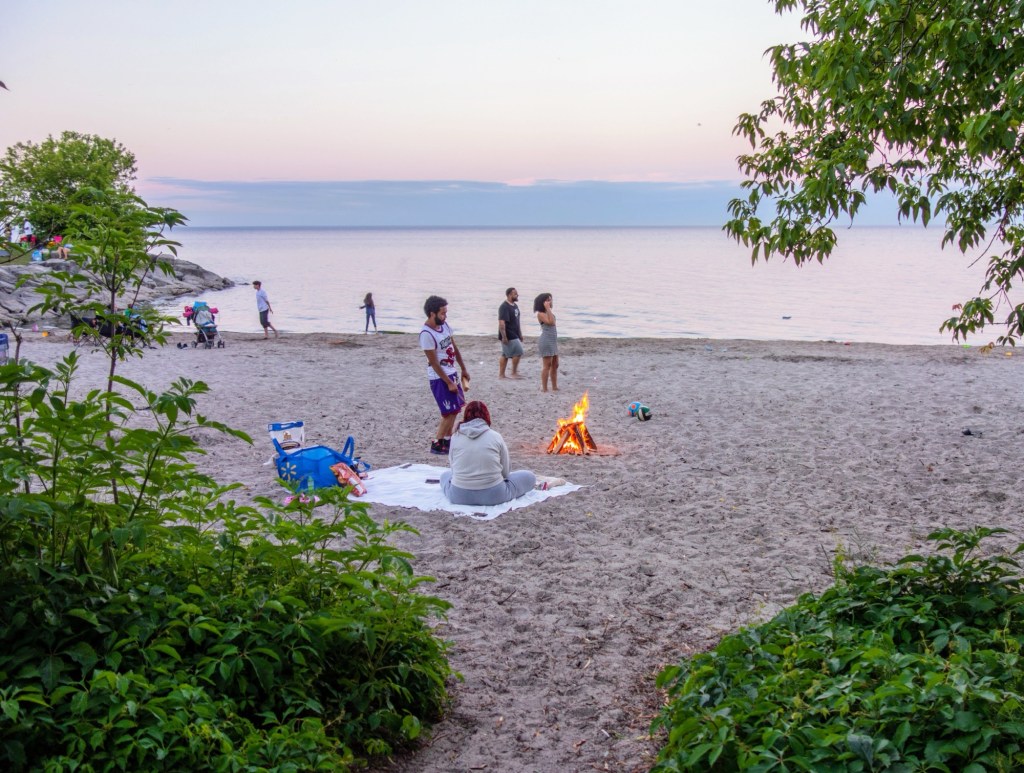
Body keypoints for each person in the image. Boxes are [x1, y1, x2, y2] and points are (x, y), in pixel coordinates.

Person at [441, 401, 536, 505]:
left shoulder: (455, 437)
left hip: (458, 495)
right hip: (494, 495)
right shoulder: (495, 436)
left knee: (445, 476)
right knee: (530, 477)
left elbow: (454, 470)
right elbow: (506, 472)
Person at [420, 295, 469, 455]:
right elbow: (433, 362)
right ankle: (437, 442)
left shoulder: (445, 326)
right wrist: (448, 382)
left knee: (455, 409)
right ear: (432, 313)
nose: (445, 316)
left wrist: (463, 368)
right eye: (442, 313)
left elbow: (454, 348)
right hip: (439, 377)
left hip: (452, 372)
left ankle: (447, 441)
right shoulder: (426, 334)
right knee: (447, 412)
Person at [534, 292, 559, 392]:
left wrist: (549, 309)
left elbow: (553, 322)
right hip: (546, 340)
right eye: (548, 300)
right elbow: (551, 323)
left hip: (553, 341)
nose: (550, 301)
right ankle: (544, 388)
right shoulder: (540, 314)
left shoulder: (549, 313)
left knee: (555, 364)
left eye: (550, 299)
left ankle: (554, 386)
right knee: (547, 365)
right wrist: (548, 308)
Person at [498, 287, 524, 379]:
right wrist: (504, 337)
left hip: (515, 332)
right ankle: (513, 372)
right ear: (509, 295)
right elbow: (501, 323)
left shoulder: (515, 305)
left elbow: (517, 321)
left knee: (505, 354)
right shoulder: (504, 306)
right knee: (519, 351)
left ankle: (501, 375)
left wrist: (520, 334)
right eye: (515, 294)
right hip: (508, 333)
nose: (517, 295)